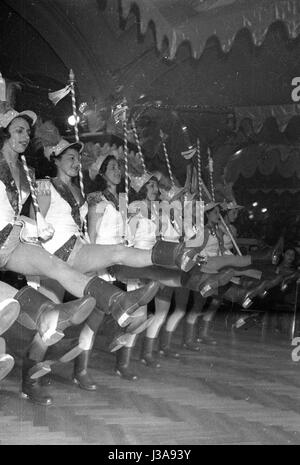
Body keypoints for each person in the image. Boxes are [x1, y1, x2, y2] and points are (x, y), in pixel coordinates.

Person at [0, 107, 163, 403]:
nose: (25, 136)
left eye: (27, 131)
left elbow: (23, 217)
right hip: (45, 252)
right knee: (44, 316)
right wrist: (37, 225)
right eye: (19, 130)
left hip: (31, 249)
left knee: (53, 320)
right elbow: (35, 217)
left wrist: (31, 225)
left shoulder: (29, 174)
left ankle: (118, 301)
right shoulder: (43, 184)